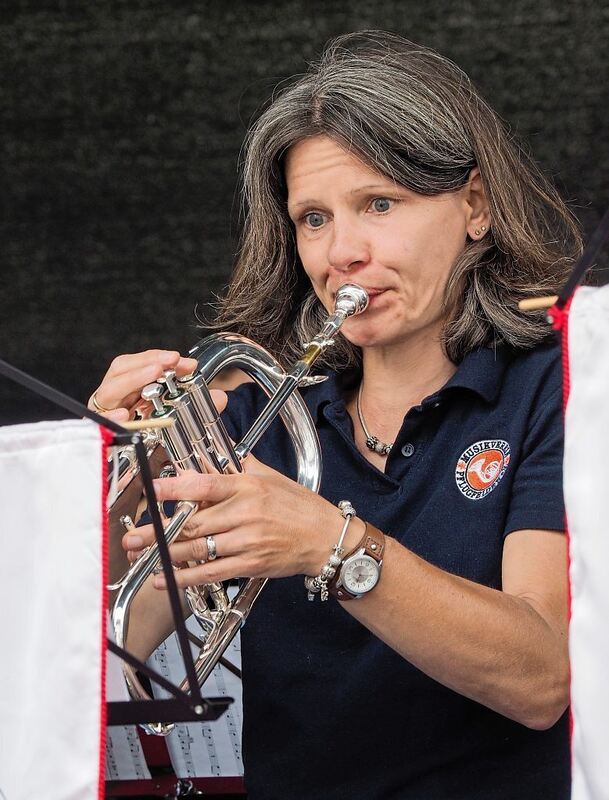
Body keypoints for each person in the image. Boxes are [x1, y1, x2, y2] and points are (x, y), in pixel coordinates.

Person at [91, 31, 582, 800]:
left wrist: (330, 543)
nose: (340, 252)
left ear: (475, 207)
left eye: (378, 204)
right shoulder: (249, 415)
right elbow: (111, 649)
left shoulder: (557, 387)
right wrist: (112, 481)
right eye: (312, 219)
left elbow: (537, 678)